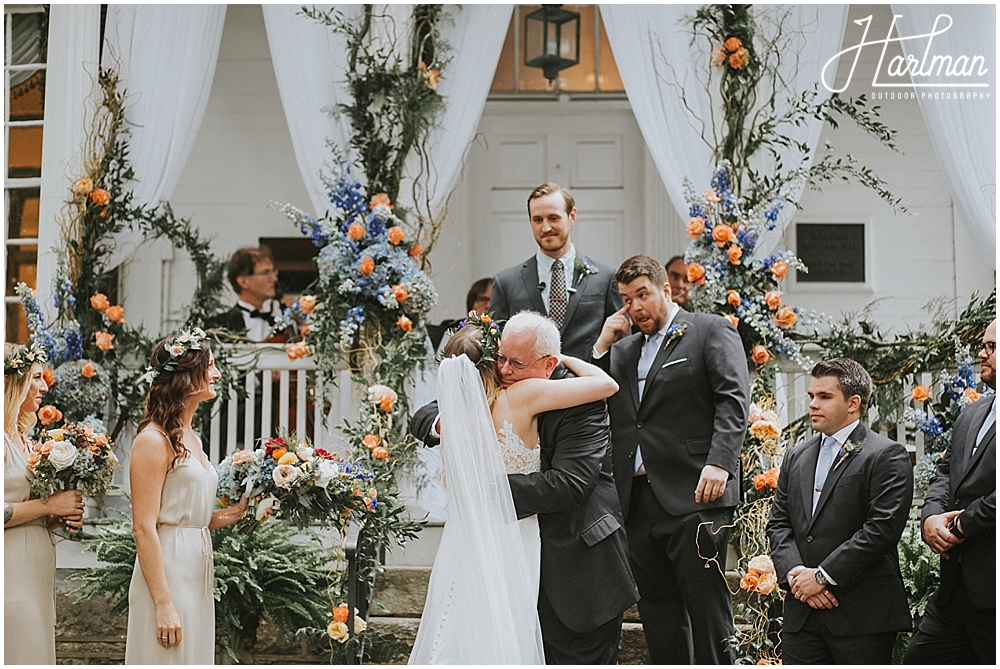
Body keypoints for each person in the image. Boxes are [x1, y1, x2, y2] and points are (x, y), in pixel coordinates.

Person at [412, 311, 638, 664]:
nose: (504, 369)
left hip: (575, 567)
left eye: (515, 362)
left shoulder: (575, 399)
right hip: (500, 547)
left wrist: (485, 489)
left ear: (549, 364)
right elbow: (425, 415)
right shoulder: (491, 394)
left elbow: (571, 483)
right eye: (500, 358)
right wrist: (448, 423)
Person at [592, 254, 749, 664]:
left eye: (643, 295)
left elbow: (733, 401)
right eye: (626, 299)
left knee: (708, 614)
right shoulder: (623, 351)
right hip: (638, 502)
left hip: (696, 494)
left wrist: (720, 461)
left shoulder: (708, 330)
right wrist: (600, 347)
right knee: (659, 617)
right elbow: (592, 403)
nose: (635, 307)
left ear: (666, 289)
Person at [767, 357, 913, 664]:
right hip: (802, 615)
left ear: (853, 403)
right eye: (811, 396)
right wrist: (797, 576)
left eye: (824, 397)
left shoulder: (885, 454)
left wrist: (822, 577)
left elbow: (881, 529)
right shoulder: (796, 456)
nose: (812, 405)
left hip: (861, 616)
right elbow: (778, 523)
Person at [125, 329, 250, 664]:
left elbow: (194, 517)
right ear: (184, 376)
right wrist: (163, 602)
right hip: (168, 569)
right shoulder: (153, 440)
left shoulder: (191, 436)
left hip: (197, 566)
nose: (217, 373)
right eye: (209, 365)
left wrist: (236, 512)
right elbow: (144, 527)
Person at [904, 318, 996, 665]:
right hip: (953, 595)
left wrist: (959, 527)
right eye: (982, 346)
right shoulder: (971, 414)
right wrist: (930, 520)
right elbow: (946, 472)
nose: (981, 353)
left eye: (992, 347)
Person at [4, 342, 84, 664]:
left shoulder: (25, 441)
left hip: (35, 571)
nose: (44, 386)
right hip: (9, 572)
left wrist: (60, 516)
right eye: (36, 377)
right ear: (14, 382)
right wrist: (50, 505)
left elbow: (30, 509)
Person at [490, 183, 623, 359]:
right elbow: (496, 348)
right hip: (530, 384)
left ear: (572, 216)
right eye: (538, 220)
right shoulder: (506, 283)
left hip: (588, 382)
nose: (546, 228)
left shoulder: (606, 278)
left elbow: (622, 346)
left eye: (553, 218)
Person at [204, 247, 285, 341]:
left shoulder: (278, 324)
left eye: (273, 272)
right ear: (243, 282)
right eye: (266, 273)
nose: (274, 279)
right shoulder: (220, 324)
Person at [427, 278, 493, 350]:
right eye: (482, 300)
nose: (488, 306)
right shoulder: (455, 328)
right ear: (471, 302)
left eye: (493, 300)